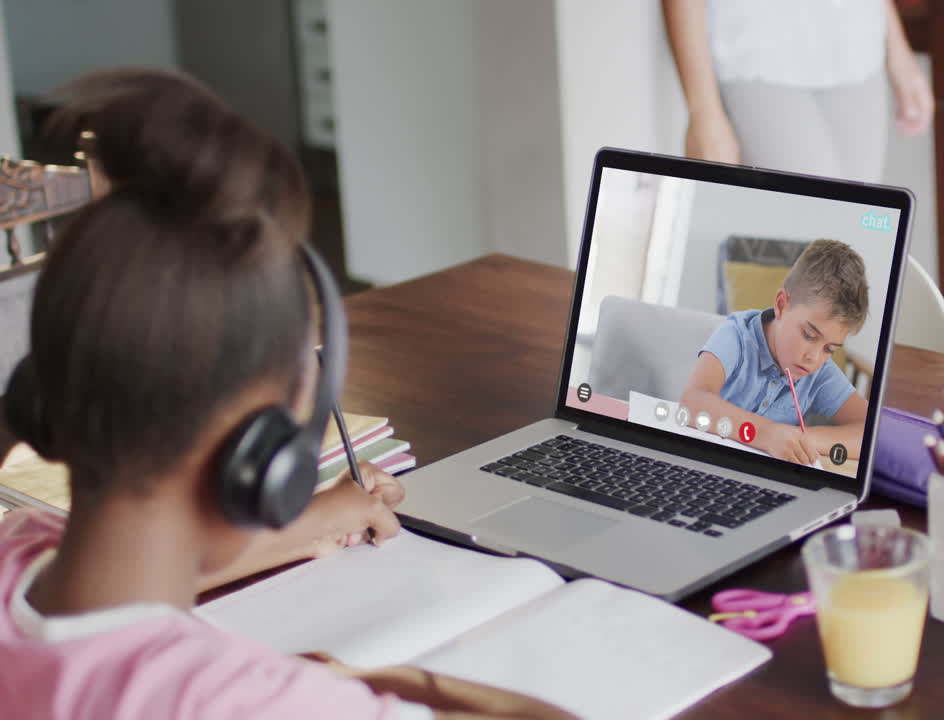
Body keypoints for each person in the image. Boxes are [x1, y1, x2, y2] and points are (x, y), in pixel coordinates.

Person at [0, 67, 572, 720]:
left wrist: (311, 523)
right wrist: (374, 683)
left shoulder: (19, 548)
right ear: (262, 460)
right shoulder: (232, 701)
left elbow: (117, 605)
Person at [662, 0, 934, 181]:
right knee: (815, 228)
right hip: (755, 50)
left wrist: (898, 48)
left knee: (857, 238)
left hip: (857, 43)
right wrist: (703, 111)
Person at [680, 239, 871, 465]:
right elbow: (692, 401)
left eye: (830, 349)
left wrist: (802, 440)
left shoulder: (818, 372)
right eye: (809, 335)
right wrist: (766, 433)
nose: (814, 358)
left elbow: (870, 431)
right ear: (781, 305)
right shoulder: (736, 336)